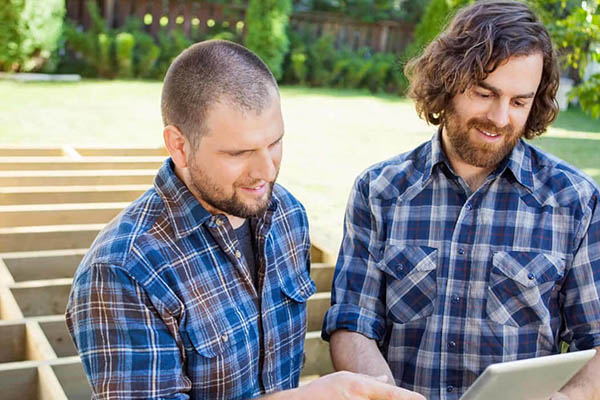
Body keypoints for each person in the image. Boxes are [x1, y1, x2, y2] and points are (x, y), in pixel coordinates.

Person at [66, 40, 423, 400]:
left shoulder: (287, 215)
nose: (266, 172)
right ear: (178, 146)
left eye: (274, 143)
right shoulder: (122, 269)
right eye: (239, 153)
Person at [322, 1, 600, 399]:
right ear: (447, 81)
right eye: (484, 93)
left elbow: (596, 340)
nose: (501, 118)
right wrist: (384, 395)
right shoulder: (380, 191)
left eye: (519, 101)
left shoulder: (576, 201)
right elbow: (354, 323)